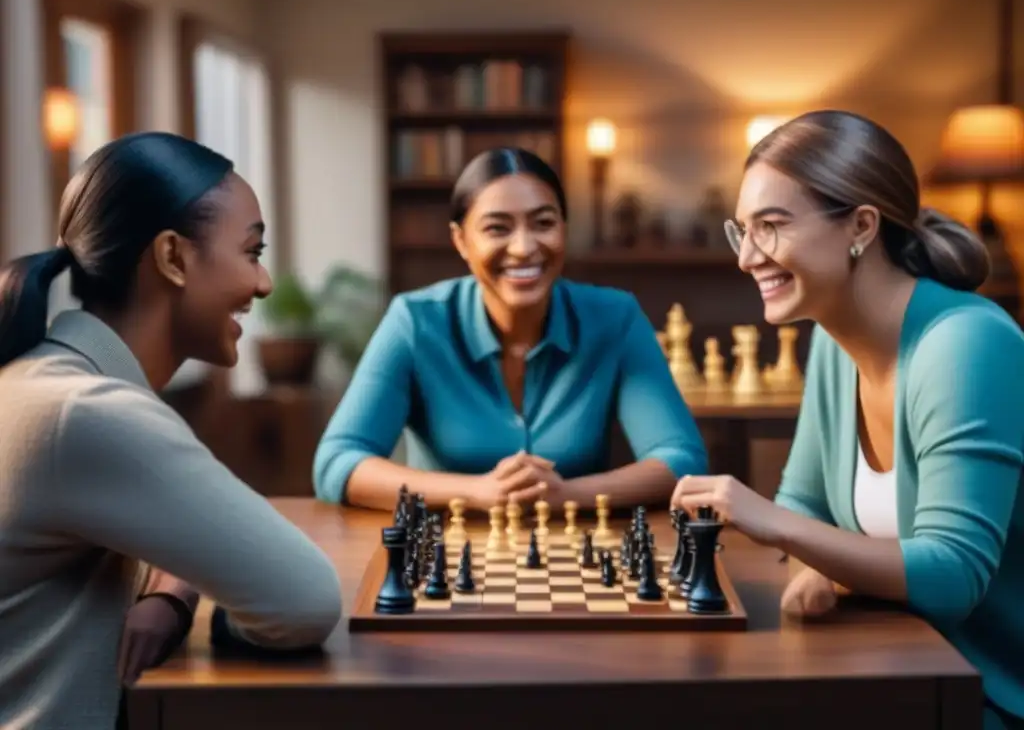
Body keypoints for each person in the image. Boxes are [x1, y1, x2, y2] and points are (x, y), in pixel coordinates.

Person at [670, 110, 1023, 729]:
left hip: (989, 691)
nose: (748, 257)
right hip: (901, 662)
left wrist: (775, 526)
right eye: (742, 231)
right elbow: (805, 502)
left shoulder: (966, 343)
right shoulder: (837, 342)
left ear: (861, 225)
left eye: (772, 227)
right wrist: (817, 564)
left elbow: (953, 575)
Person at [0, 132, 342, 730]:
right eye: (252, 252)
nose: (263, 284)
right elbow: (304, 604)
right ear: (172, 258)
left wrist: (171, 589)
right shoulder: (87, 414)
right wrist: (182, 593)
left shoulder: (50, 383)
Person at [315, 147, 707, 512]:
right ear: (461, 241)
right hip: (442, 559)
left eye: (543, 223)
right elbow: (337, 463)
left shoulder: (615, 318)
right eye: (497, 228)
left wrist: (567, 495)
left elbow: (681, 458)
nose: (523, 247)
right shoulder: (415, 322)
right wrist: (475, 491)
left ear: (564, 230)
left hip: (577, 556)